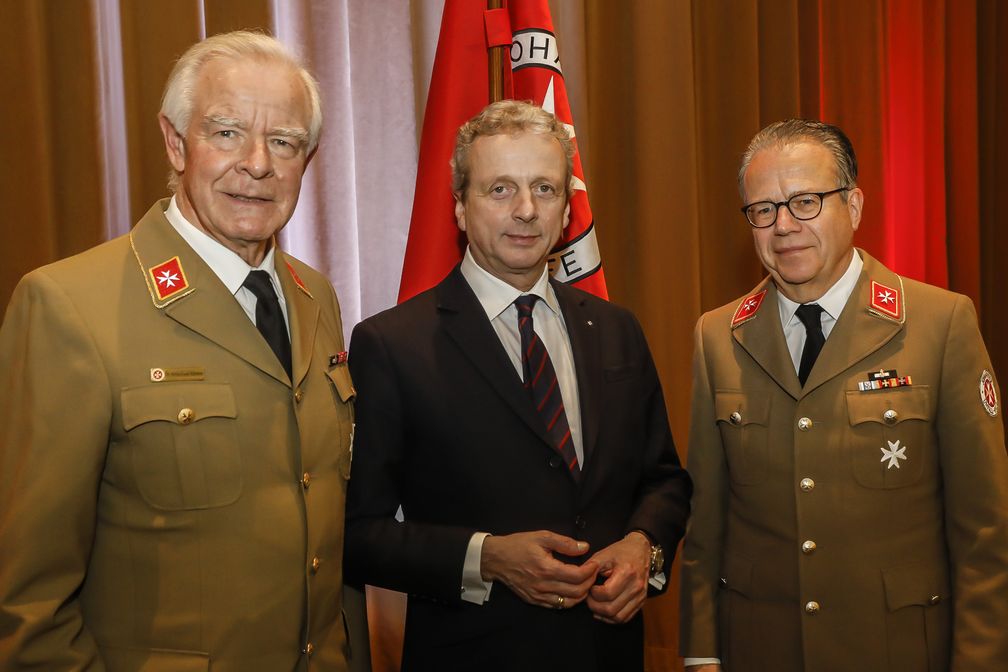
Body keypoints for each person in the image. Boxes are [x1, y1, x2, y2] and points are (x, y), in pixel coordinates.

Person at [0, 31, 358, 670]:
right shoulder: (68, 305)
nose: (257, 164)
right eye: (225, 133)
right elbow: (27, 604)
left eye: (284, 142)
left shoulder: (315, 298)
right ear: (174, 142)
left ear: (308, 159)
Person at [344, 100, 691, 671]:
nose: (526, 211)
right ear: (460, 207)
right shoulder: (392, 344)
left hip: (609, 652)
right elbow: (360, 536)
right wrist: (488, 558)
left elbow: (664, 481)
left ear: (566, 210)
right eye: (500, 189)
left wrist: (643, 548)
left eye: (545, 189)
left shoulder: (615, 329)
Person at [679, 118, 1008, 671]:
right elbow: (706, 526)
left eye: (805, 201)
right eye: (764, 210)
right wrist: (701, 655)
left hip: (897, 651)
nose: (783, 226)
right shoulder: (718, 335)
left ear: (853, 206)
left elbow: (985, 534)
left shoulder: (940, 322)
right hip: (762, 650)